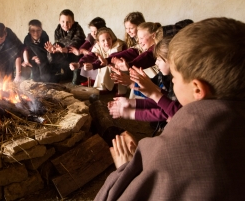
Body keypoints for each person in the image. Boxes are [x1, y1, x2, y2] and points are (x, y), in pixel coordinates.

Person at [95, 17, 245, 200]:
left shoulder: (175, 150)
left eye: (175, 76)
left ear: (197, 89)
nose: (172, 81)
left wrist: (126, 169)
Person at [108, 37, 182, 134]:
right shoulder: (166, 76)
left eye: (159, 60)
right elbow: (161, 99)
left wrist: (131, 113)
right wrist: (131, 101)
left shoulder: (179, 82)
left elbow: (167, 110)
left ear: (172, 60)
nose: (156, 63)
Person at [69, 27, 127, 95]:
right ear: (98, 42)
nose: (107, 42)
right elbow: (90, 56)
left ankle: (120, 90)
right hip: (107, 65)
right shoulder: (97, 46)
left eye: (108, 39)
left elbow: (111, 58)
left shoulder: (118, 45)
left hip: (120, 66)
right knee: (102, 67)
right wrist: (79, 64)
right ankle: (104, 87)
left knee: (108, 67)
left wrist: (93, 65)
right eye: (103, 40)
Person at [44, 9, 86, 85]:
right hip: (64, 54)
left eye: (68, 22)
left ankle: (76, 76)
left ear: (73, 21)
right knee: (52, 52)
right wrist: (53, 49)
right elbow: (58, 43)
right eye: (63, 22)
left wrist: (65, 49)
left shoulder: (78, 29)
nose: (65, 25)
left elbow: (76, 42)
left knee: (75, 51)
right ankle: (58, 73)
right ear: (59, 21)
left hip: (75, 53)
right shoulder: (58, 30)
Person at [69, 17, 106, 87]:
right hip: (92, 55)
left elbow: (95, 52)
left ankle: (97, 81)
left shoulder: (105, 38)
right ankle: (90, 79)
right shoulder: (91, 37)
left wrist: (86, 52)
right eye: (92, 31)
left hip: (101, 57)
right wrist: (82, 51)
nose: (93, 33)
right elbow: (83, 47)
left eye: (95, 31)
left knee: (97, 61)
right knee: (85, 58)